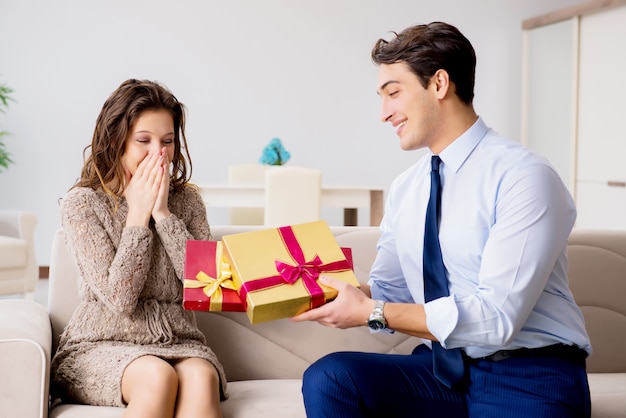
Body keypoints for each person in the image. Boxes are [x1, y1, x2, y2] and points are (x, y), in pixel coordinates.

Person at [291, 22, 591, 418]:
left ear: (439, 84)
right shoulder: (407, 187)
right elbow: (389, 292)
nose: (384, 114)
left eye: (393, 94)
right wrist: (309, 286)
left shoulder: (524, 176)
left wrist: (371, 311)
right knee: (331, 378)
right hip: (442, 370)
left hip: (527, 372)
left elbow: (497, 319)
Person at [51, 79, 226, 418]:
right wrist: (138, 216)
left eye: (168, 141)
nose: (158, 154)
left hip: (179, 341)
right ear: (116, 142)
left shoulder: (187, 201)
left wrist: (163, 214)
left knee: (202, 378)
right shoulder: (82, 204)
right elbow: (120, 298)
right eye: (143, 141)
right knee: (156, 377)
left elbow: (206, 284)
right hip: (99, 346)